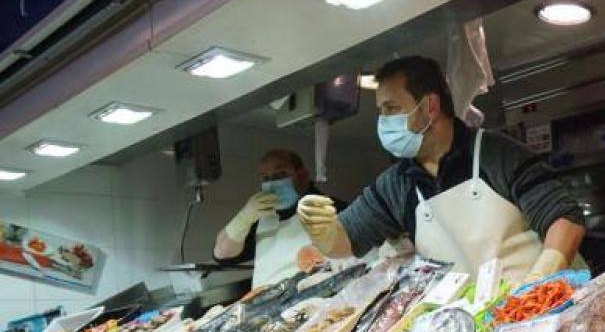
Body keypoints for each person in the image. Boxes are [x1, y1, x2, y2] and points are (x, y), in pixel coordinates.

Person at [296, 56, 585, 284]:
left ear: (429, 106)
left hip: (545, 304)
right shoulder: (396, 184)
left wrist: (541, 279)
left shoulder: (496, 152)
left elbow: (564, 216)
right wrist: (324, 232)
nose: (383, 121)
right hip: (477, 325)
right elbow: (348, 240)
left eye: (391, 108)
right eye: (381, 111)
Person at [213, 149, 347, 287]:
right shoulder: (260, 218)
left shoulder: (332, 209)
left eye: (281, 174)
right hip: (268, 302)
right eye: (265, 178)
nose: (272, 184)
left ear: (303, 175)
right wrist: (243, 218)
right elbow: (222, 256)